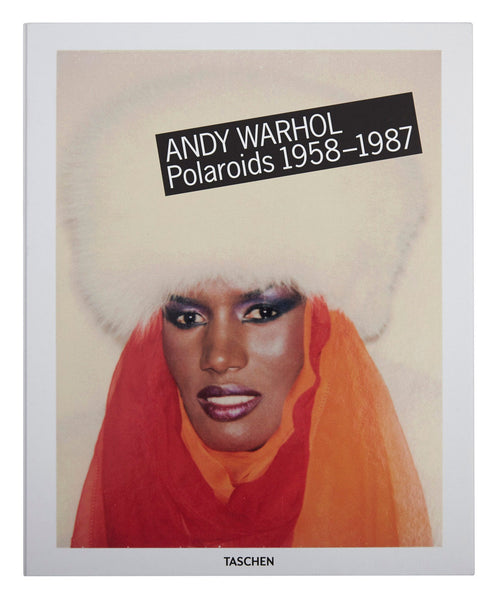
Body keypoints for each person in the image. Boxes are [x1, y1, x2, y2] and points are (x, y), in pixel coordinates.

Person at [60, 55, 435, 548]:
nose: (219, 357)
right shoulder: (54, 490)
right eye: (187, 317)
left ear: (323, 322)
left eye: (262, 312)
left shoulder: (445, 474)